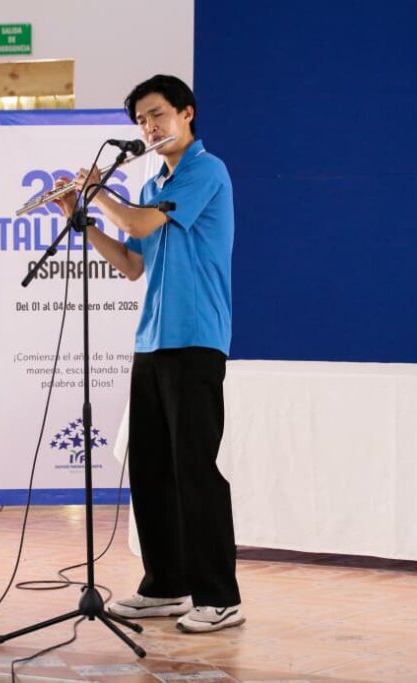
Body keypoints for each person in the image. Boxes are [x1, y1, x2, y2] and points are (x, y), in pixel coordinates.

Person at [52, 74, 242, 634]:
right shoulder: (155, 181)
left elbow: (137, 221)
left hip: (196, 340)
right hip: (151, 342)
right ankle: (165, 586)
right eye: (140, 120)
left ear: (186, 113)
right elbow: (132, 263)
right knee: (152, 469)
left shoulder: (206, 171)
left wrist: (99, 191)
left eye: (157, 115)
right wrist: (79, 218)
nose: (149, 127)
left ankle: (220, 597)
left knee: (195, 471)